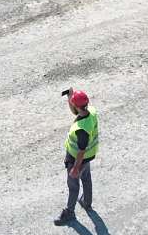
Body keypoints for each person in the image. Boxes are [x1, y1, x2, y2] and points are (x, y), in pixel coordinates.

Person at [55, 88, 98, 226]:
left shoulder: (81, 130)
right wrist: (71, 97)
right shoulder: (91, 112)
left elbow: (81, 150)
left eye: (73, 103)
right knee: (86, 179)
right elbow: (76, 109)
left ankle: (70, 212)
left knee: (73, 186)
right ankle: (86, 202)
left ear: (77, 106)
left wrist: (75, 167)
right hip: (89, 157)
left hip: (76, 159)